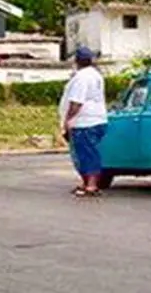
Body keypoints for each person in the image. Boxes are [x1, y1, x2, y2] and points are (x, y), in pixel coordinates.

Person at [58, 45, 108, 197]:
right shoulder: (96, 75)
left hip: (84, 121)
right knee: (87, 152)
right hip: (97, 119)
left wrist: (68, 119)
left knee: (85, 153)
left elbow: (76, 102)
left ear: (77, 60)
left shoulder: (81, 77)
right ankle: (87, 183)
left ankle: (91, 185)